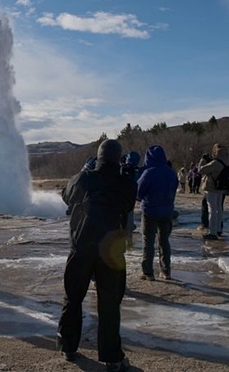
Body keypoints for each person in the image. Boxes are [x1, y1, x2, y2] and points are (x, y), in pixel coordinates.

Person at [57, 139, 136, 372]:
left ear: (98, 157)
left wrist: (83, 171)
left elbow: (66, 195)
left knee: (73, 297)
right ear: (118, 158)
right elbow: (128, 204)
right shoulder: (125, 183)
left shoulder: (85, 178)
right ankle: (112, 358)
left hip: (81, 247)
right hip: (111, 251)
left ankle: (68, 347)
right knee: (110, 304)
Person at [136, 145, 178, 280]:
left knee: (148, 241)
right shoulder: (171, 173)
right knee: (164, 241)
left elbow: (139, 192)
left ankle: (148, 272)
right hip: (167, 211)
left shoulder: (148, 173)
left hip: (150, 210)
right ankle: (166, 271)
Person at [198, 144, 229, 240]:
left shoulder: (215, 163)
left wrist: (203, 160)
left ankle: (212, 232)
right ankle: (218, 228)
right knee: (219, 208)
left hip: (212, 188)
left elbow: (200, 170)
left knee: (212, 209)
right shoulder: (227, 162)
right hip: (221, 188)